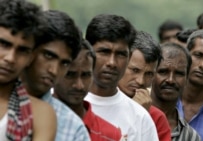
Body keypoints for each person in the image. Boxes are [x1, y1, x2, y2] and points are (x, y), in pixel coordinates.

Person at [84, 14, 159, 141]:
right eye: (104, 52)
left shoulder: (140, 118)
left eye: (120, 54)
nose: (112, 62)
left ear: (129, 58)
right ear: (88, 52)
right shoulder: (59, 103)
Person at [20, 10, 90, 141]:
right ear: (30, 50)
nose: (54, 70)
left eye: (64, 63)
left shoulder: (73, 128)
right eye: (48, 55)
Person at [0, 0, 57, 140]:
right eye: (4, 44)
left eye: (22, 50)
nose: (10, 58)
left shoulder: (40, 114)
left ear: (31, 58)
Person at [53, 39, 123, 140]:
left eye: (86, 75)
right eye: (70, 75)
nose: (79, 85)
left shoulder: (110, 135)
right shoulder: (33, 119)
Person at [118, 30, 171, 141]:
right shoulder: (93, 102)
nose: (141, 81)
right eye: (135, 70)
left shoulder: (157, 118)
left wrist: (142, 116)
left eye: (149, 74)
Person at [151, 42, 201, 141]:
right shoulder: (132, 114)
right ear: (151, 74)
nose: (170, 80)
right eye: (163, 71)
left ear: (187, 79)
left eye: (179, 74)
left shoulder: (191, 137)